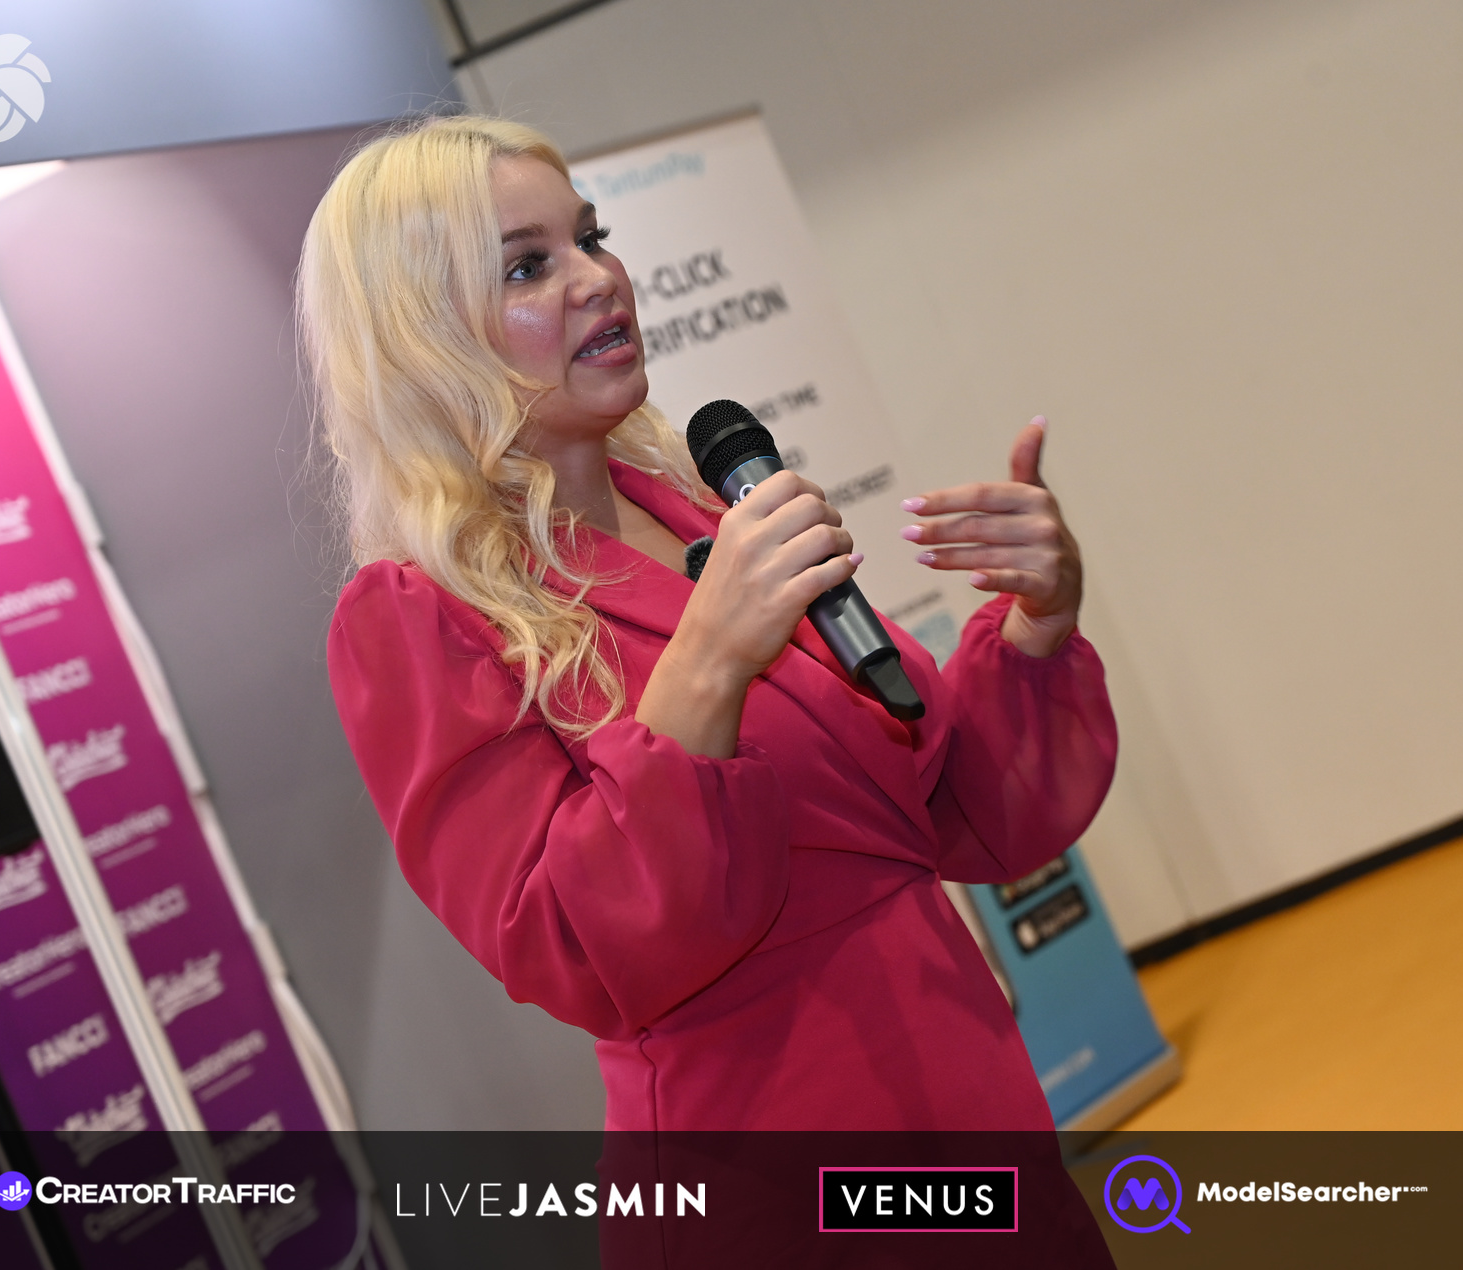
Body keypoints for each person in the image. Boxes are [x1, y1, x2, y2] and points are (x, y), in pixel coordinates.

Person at [305, 115, 1118, 1132]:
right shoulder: (416, 612)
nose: (599, 278)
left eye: (591, 239)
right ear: (424, 335)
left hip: (970, 1089)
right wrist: (709, 662)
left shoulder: (702, 505)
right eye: (527, 267)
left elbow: (956, 806)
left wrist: (1038, 620)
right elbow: (566, 947)